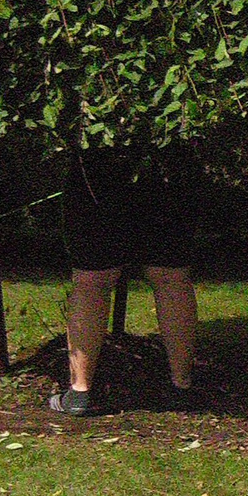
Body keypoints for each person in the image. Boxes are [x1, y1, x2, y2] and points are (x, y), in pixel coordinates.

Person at [49, 148, 198, 416]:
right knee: (170, 276)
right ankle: (181, 386)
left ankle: (79, 393)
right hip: (164, 161)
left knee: (92, 280)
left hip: (99, 164)